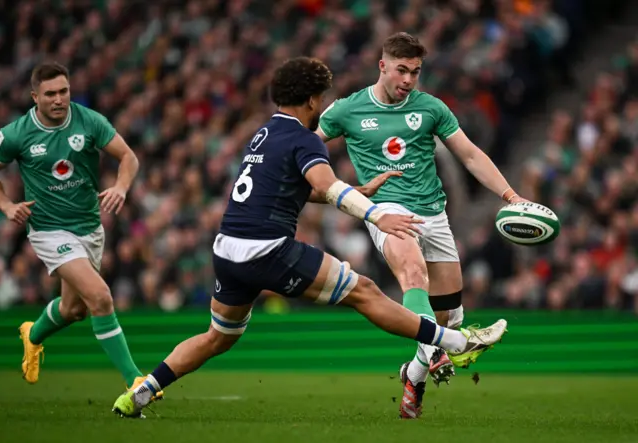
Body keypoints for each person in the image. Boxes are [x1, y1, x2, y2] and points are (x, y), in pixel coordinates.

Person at [111, 56, 507, 419]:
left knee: (217, 337)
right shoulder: (305, 138)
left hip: (228, 250)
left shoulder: (264, 133)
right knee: (364, 291)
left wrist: (358, 192)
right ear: (314, 100)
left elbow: (303, 189)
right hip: (268, 250)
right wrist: (374, 215)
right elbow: (326, 185)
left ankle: (143, 390)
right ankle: (454, 342)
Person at [316, 32, 526, 419]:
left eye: (415, 72)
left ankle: (415, 374)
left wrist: (511, 196)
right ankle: (447, 349)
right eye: (401, 70)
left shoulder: (431, 108)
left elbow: (471, 155)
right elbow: (307, 150)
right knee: (413, 274)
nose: (408, 80)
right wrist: (341, 192)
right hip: (387, 211)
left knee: (444, 317)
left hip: (435, 215)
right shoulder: (346, 110)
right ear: (382, 66)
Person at [0, 62, 160, 397]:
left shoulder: (90, 120)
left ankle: (33, 334)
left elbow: (128, 157)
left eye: (64, 91)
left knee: (74, 310)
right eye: (50, 94)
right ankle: (134, 380)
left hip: (89, 227)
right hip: (48, 231)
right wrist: (7, 206)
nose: (59, 99)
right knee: (100, 296)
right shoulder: (15, 134)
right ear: (34, 97)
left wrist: (121, 187)